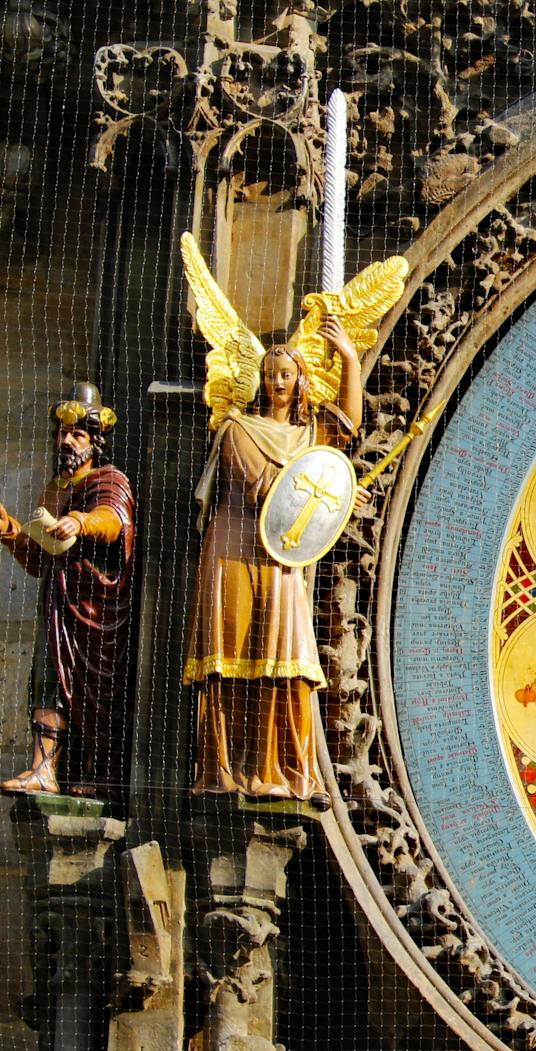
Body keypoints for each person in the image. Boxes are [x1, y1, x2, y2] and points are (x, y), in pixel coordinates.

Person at [185, 319, 363, 807]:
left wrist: (348, 358)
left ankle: (286, 770)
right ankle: (226, 769)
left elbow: (347, 424)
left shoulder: (308, 435)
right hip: (236, 548)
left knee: (288, 657)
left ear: (299, 379)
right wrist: (326, 494)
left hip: (281, 559)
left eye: (285, 373)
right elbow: (265, 490)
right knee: (234, 655)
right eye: (269, 374)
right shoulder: (237, 431)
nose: (276, 382)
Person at [0, 384, 136, 798]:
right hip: (60, 602)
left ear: (95, 441)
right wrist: (8, 531)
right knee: (47, 680)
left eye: (76, 434)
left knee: (95, 690)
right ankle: (44, 769)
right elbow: (39, 561)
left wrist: (80, 521)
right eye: (61, 433)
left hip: (96, 608)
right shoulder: (54, 489)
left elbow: (113, 520)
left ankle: (103, 776)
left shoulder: (109, 479)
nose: (66, 441)